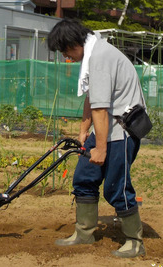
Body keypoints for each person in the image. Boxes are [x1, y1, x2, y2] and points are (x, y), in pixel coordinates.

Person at [47, 18, 147, 258]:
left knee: (116, 187)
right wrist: (84, 132)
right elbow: (92, 99)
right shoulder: (94, 52)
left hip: (121, 132)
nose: (65, 57)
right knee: (84, 177)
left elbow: (101, 109)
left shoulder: (100, 57)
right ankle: (84, 233)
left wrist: (100, 148)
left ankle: (135, 242)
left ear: (74, 43)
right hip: (105, 129)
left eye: (65, 51)